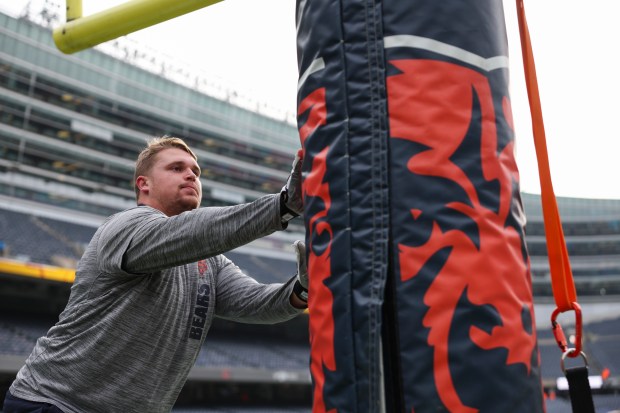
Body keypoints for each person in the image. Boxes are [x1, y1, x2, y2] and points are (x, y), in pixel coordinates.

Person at [3, 136, 308, 413]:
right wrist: (282, 206)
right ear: (144, 184)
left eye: (196, 171)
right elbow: (193, 233)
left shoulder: (209, 261)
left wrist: (302, 286)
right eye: (176, 168)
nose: (191, 175)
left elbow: (256, 304)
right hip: (57, 404)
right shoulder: (124, 226)